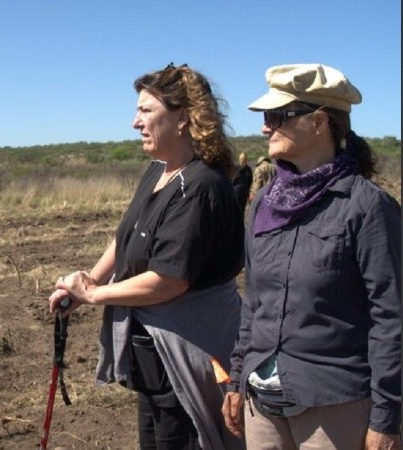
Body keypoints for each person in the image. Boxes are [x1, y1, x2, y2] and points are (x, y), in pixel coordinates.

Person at [49, 63, 245, 449]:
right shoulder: (159, 171)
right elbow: (126, 239)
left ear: (184, 119)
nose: (135, 122)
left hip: (190, 351)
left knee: (187, 439)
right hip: (155, 354)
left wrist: (93, 296)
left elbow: (168, 281)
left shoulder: (200, 185)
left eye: (146, 111)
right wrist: (88, 281)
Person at [221, 64, 401, 449]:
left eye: (276, 116)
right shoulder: (265, 204)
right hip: (261, 400)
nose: (265, 127)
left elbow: (391, 319)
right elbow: (254, 302)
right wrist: (238, 379)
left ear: (319, 122)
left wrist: (388, 417)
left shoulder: (368, 208)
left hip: (334, 402)